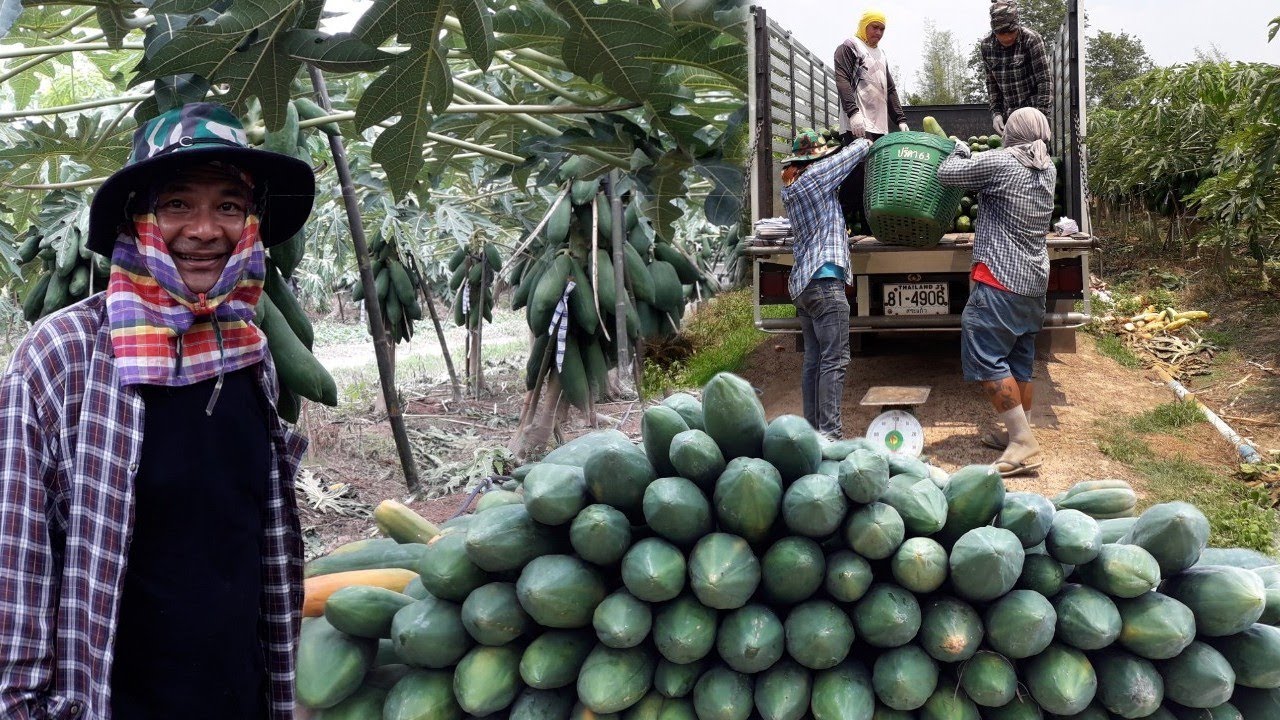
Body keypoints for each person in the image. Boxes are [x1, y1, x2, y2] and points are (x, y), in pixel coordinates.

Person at [0, 102, 316, 719]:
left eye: (229, 205)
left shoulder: (249, 349)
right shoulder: (61, 355)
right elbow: (17, 564)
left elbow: (257, 542)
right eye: (177, 204)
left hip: (239, 693)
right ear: (136, 220)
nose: (205, 229)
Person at [936, 107, 1056, 477]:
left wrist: (957, 148)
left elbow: (947, 175)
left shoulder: (1002, 162)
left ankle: (1022, 440)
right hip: (1034, 280)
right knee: (1019, 358)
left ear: (1011, 133)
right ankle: (1019, 432)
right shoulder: (1046, 167)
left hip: (1000, 278)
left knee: (986, 354)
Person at [781, 130, 873, 440]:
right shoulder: (817, 177)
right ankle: (831, 435)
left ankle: (811, 434)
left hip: (804, 285)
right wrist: (866, 138)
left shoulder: (792, 189)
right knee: (835, 360)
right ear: (816, 158)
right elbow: (853, 154)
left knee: (814, 360)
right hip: (824, 282)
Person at [834, 8, 909, 234]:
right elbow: (842, 79)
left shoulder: (881, 54)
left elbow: (891, 89)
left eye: (882, 28)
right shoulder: (850, 47)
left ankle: (869, 228)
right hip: (857, 124)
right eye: (874, 27)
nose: (878, 32)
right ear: (863, 26)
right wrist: (853, 112)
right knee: (856, 176)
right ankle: (840, 222)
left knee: (874, 177)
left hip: (879, 126)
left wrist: (900, 119)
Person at [981, 0, 1053, 135]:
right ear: (994, 30)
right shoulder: (986, 46)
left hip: (1034, 111)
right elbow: (992, 84)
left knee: (1036, 153)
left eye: (1011, 32)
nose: (1007, 37)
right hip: (1010, 116)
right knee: (1011, 154)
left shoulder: (1031, 39)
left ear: (1017, 26)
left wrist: (1040, 117)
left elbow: (1045, 80)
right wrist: (996, 114)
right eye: (1001, 33)